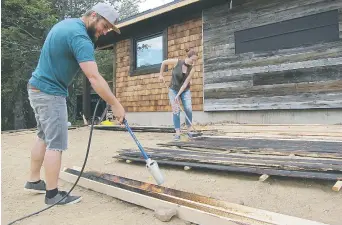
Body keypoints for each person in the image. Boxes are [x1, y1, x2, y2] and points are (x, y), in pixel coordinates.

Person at [24, 3, 125, 205]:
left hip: (37, 87)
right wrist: (115, 104)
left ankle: (34, 180)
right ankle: (52, 195)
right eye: (104, 26)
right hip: (50, 93)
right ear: (93, 15)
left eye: (107, 29)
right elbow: (94, 78)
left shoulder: (68, 24)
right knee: (56, 143)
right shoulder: (80, 38)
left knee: (43, 136)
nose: (104, 32)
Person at [158, 48, 198, 141]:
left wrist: (178, 95)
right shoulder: (177, 62)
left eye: (195, 60)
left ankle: (189, 131)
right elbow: (164, 62)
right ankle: (177, 133)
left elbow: (185, 84)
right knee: (176, 110)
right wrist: (161, 74)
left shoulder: (192, 69)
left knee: (188, 108)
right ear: (188, 57)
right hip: (173, 89)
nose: (194, 62)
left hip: (185, 90)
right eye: (193, 60)